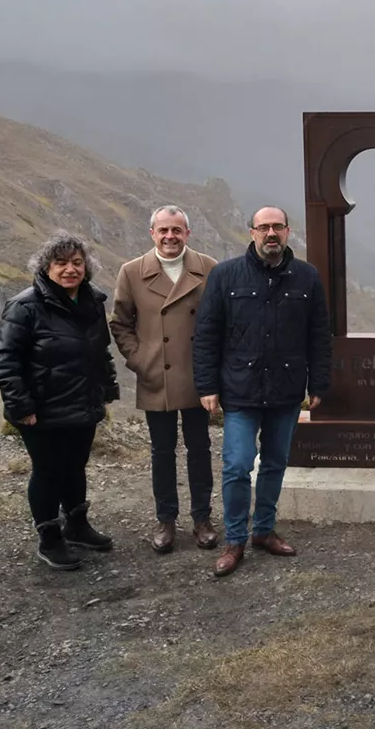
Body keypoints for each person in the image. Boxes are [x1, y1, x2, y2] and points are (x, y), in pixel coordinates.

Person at [192, 206, 331, 577]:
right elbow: (206, 334)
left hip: (286, 390)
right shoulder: (225, 276)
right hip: (239, 390)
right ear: (251, 232)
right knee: (237, 466)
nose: (271, 233)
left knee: (274, 464)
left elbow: (319, 334)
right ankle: (235, 540)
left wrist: (318, 382)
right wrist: (206, 385)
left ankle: (263, 531)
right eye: (264, 227)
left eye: (277, 227)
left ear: (288, 232)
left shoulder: (307, 277)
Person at [0, 232, 120, 570]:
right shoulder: (25, 306)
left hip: (83, 404)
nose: (70, 270)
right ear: (46, 267)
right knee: (47, 472)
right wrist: (22, 407)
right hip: (42, 411)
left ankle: (77, 525)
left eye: (77, 263)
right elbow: (4, 360)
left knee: (75, 467)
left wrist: (106, 391)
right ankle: (49, 538)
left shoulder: (92, 300)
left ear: (86, 267)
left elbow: (100, 351)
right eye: (61, 263)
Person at [110, 205, 219, 554]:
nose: (170, 236)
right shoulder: (131, 272)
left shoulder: (209, 268)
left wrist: (214, 373)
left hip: (199, 377)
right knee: (161, 452)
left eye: (177, 230)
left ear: (188, 233)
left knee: (200, 449)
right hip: (157, 376)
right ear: (152, 234)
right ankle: (166, 520)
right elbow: (120, 323)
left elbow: (222, 322)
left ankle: (202, 519)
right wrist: (141, 360)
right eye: (163, 230)